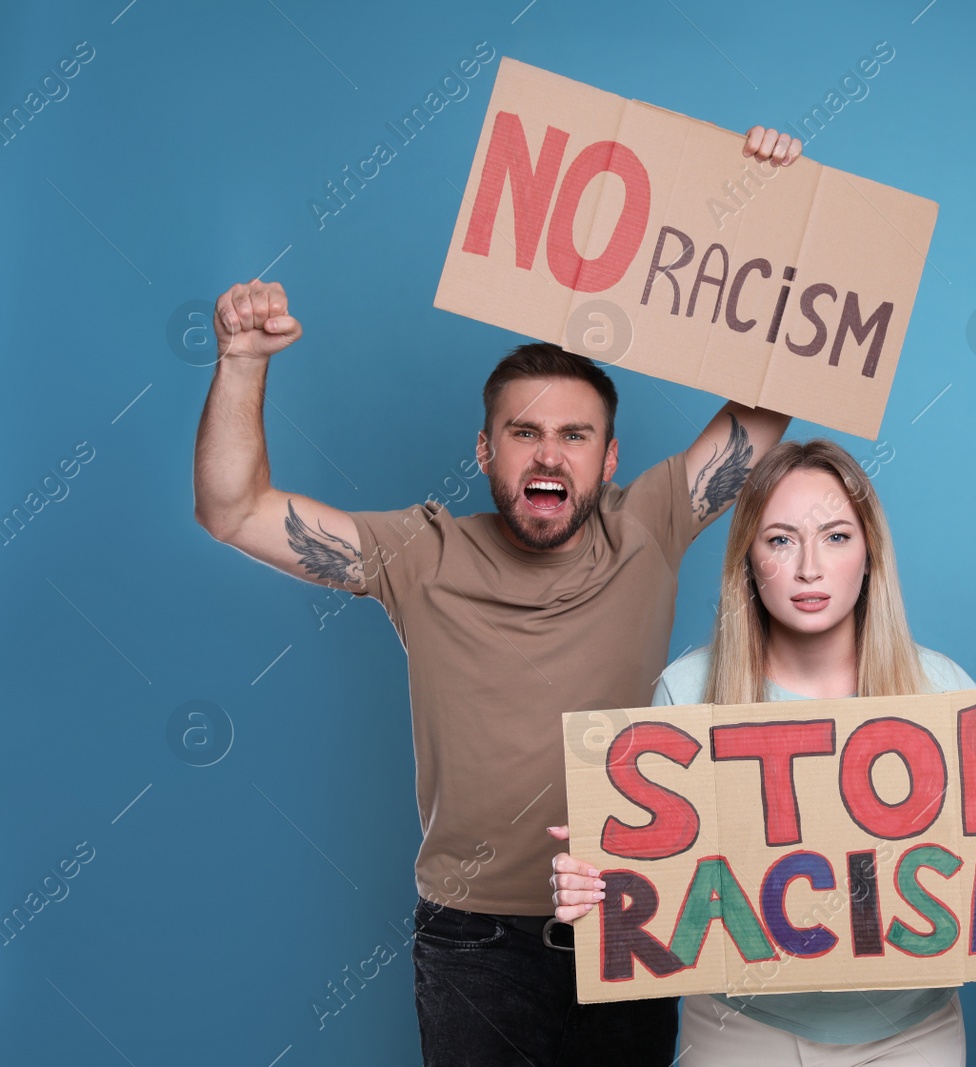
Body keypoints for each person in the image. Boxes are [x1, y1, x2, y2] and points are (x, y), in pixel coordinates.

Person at [192, 127, 804, 1067]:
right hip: (474, 938)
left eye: (573, 434)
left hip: (631, 912)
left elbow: (768, 403)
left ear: (609, 458)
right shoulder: (418, 551)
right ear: (487, 452)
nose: (548, 453)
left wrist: (769, 206)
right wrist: (242, 360)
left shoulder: (649, 523)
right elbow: (233, 509)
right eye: (523, 433)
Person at [550, 439, 976, 1066]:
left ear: (869, 553)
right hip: (738, 1030)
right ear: (747, 556)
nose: (808, 567)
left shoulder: (945, 691)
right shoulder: (687, 692)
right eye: (779, 539)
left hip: (915, 1033)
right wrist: (593, 891)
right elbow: (656, 887)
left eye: (834, 537)